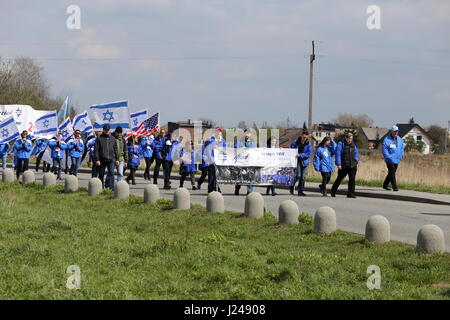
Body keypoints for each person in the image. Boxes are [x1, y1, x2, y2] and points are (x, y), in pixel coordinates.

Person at [331, 133, 359, 198]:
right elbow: (338, 154)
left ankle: (350, 193)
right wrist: (338, 164)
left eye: (351, 138)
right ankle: (333, 190)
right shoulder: (341, 144)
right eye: (349, 138)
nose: (350, 140)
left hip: (352, 165)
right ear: (346, 138)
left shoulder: (353, 145)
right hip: (344, 165)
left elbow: (356, 153)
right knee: (339, 178)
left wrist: (356, 161)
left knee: (352, 179)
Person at [94, 124, 119, 190]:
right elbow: (96, 150)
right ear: (103, 130)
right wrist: (97, 160)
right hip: (102, 159)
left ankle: (111, 188)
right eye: (106, 130)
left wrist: (117, 159)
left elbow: (116, 149)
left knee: (111, 173)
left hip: (111, 159)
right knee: (101, 174)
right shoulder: (99, 138)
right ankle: (100, 188)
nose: (107, 131)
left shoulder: (113, 139)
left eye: (108, 130)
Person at [290, 130, 313, 196]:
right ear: (301, 135)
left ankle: (300, 191)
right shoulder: (295, 142)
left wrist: (300, 155)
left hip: (304, 161)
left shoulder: (308, 144)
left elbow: (309, 153)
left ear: (307, 136)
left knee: (303, 177)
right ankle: (291, 186)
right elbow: (291, 150)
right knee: (298, 175)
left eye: (306, 137)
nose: (304, 138)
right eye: (303, 136)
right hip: (296, 161)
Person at [382, 125, 404, 191]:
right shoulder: (386, 140)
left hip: (397, 159)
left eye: (397, 131)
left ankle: (385, 185)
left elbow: (402, 148)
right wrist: (389, 157)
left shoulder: (399, 139)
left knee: (391, 173)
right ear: (391, 131)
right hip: (389, 160)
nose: (396, 133)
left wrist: (401, 155)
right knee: (392, 172)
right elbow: (384, 150)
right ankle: (395, 187)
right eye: (395, 131)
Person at [234, 129, 257, 195]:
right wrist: (241, 148)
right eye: (246, 133)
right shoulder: (240, 141)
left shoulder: (253, 142)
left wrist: (248, 144)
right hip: (241, 162)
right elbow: (235, 147)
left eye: (249, 133)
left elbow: (255, 149)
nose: (247, 135)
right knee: (239, 176)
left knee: (250, 176)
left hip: (249, 162)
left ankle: (249, 191)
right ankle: (237, 189)